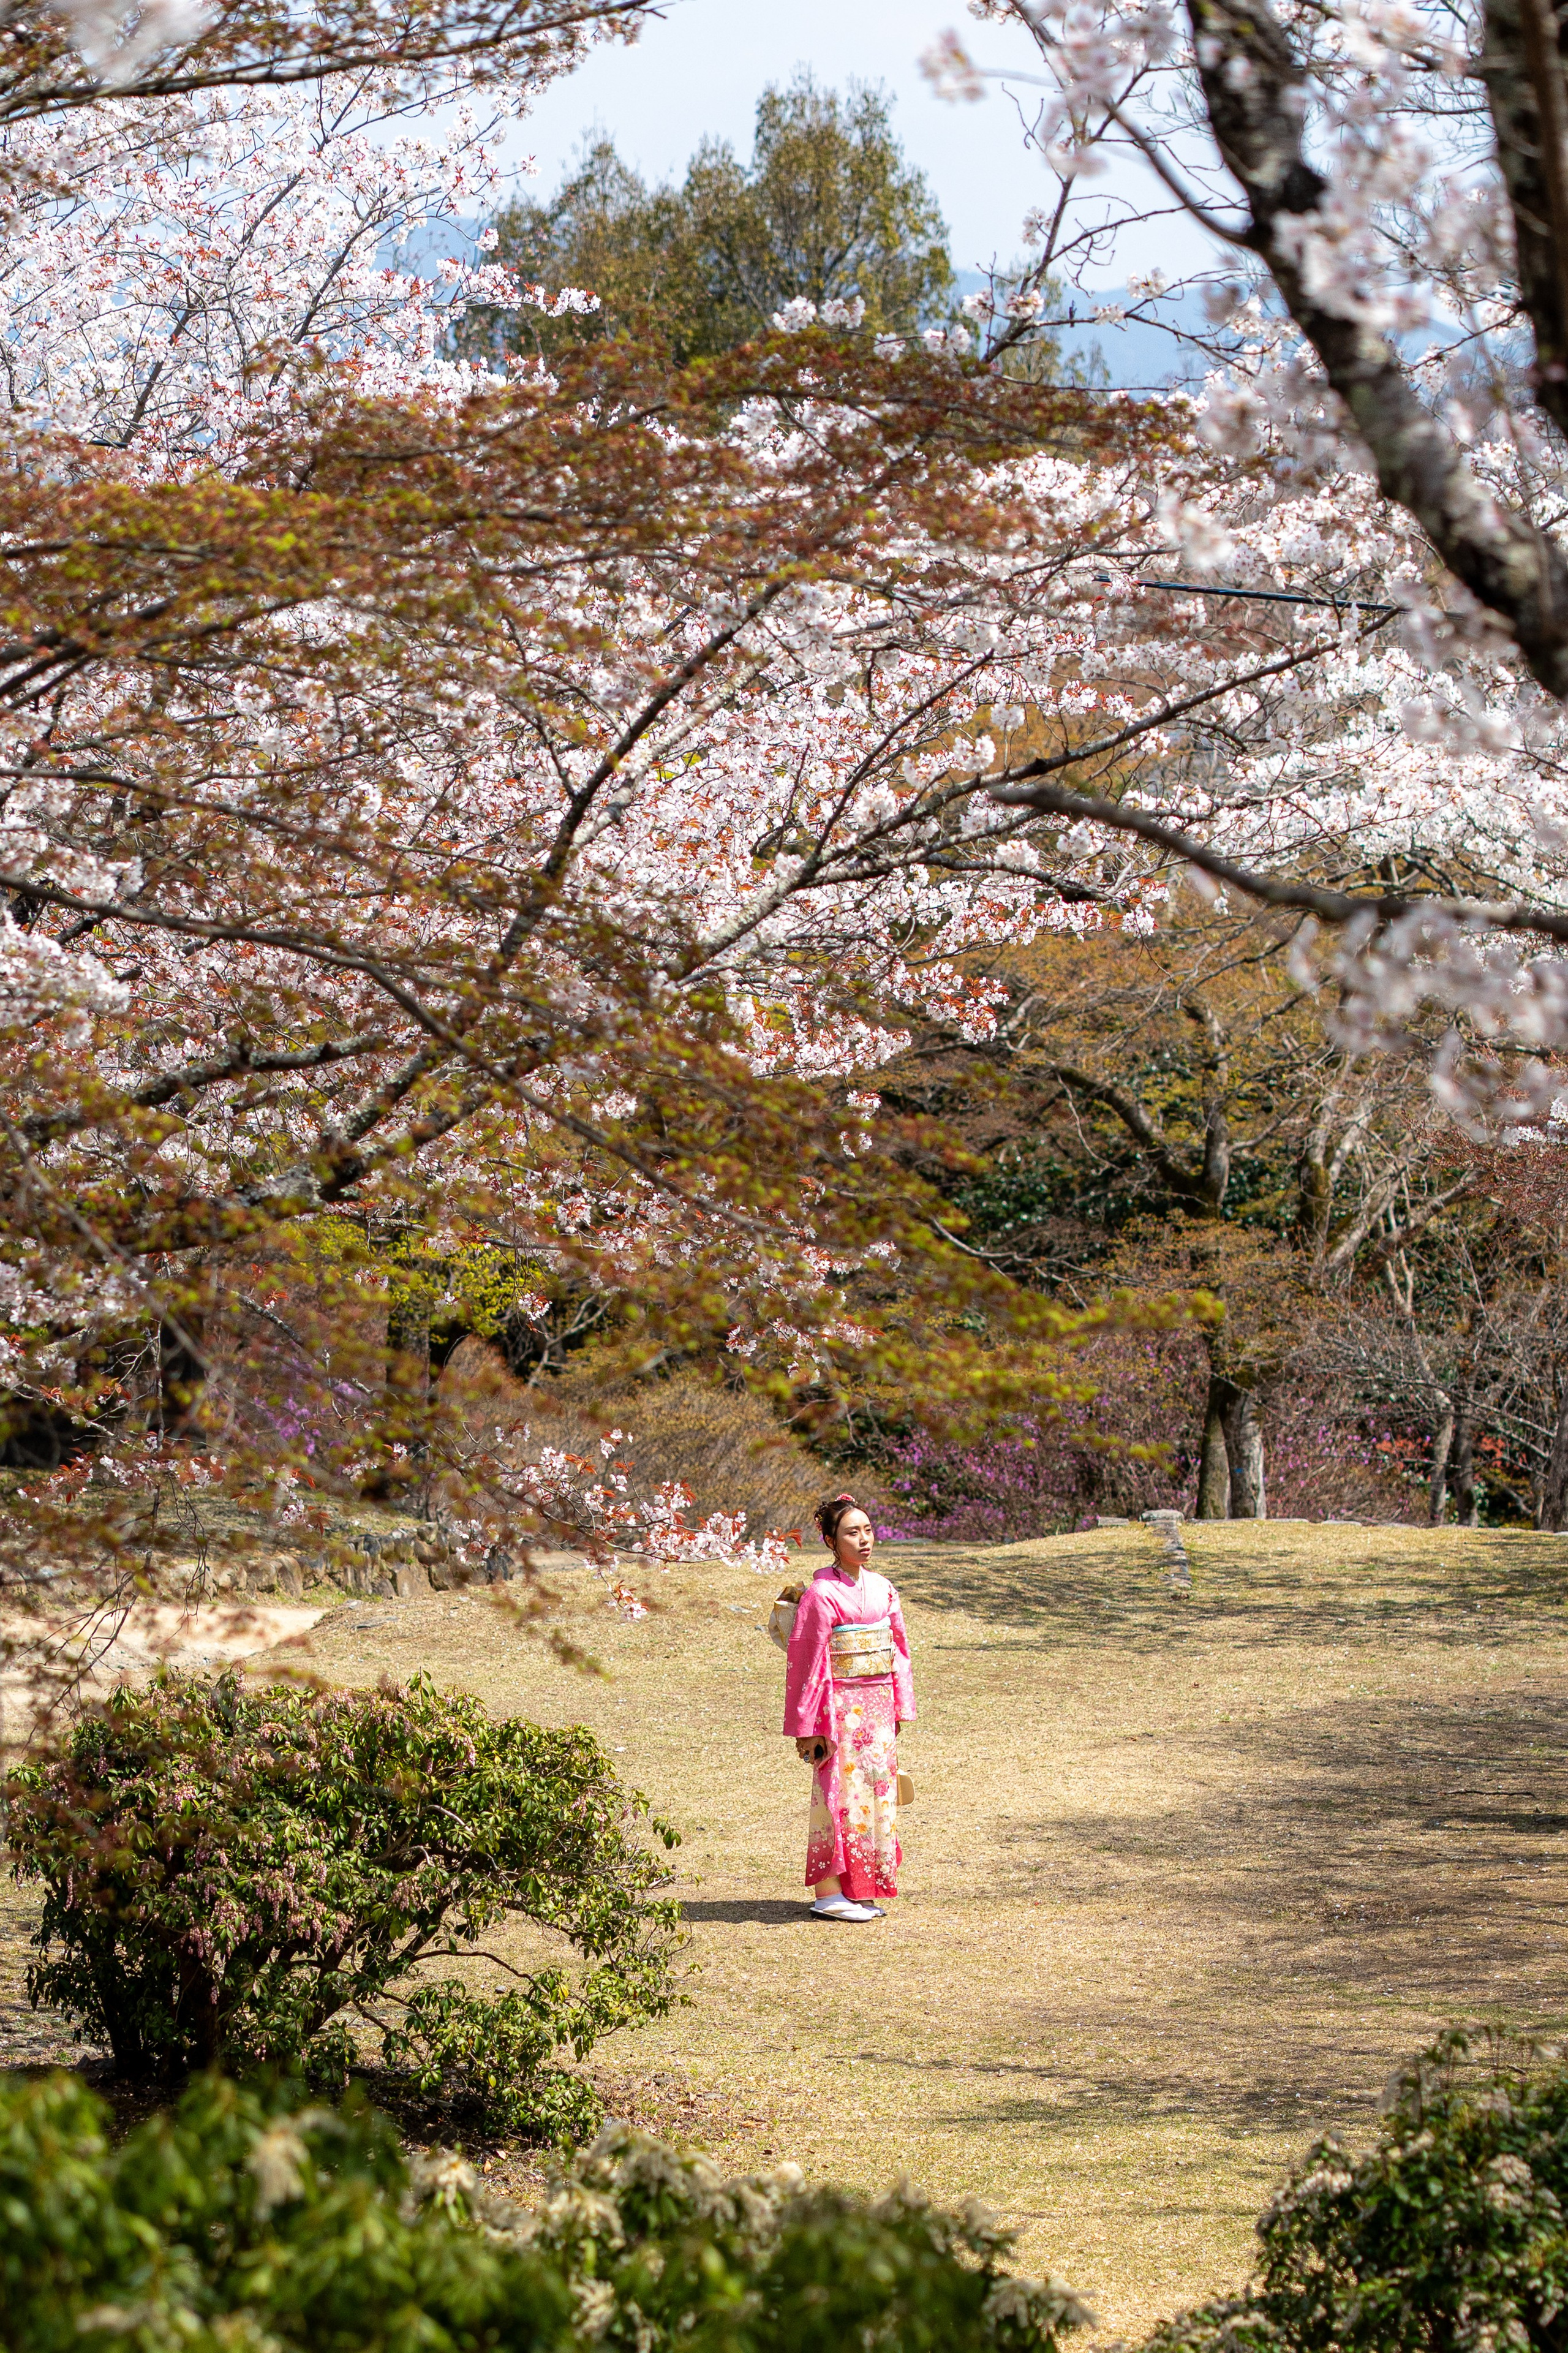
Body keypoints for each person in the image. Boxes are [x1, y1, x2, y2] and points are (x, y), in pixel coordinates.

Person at [782, 1492, 914, 1923]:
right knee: (837, 1795)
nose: (863, 1539)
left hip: (877, 1707)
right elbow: (806, 1660)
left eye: (868, 1530)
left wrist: (898, 1704)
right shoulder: (821, 1594)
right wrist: (810, 1725)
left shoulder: (883, 1587)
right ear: (831, 1540)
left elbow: (899, 1649)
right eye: (851, 1532)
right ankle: (827, 1892)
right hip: (837, 1708)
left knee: (875, 1795)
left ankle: (858, 1887)